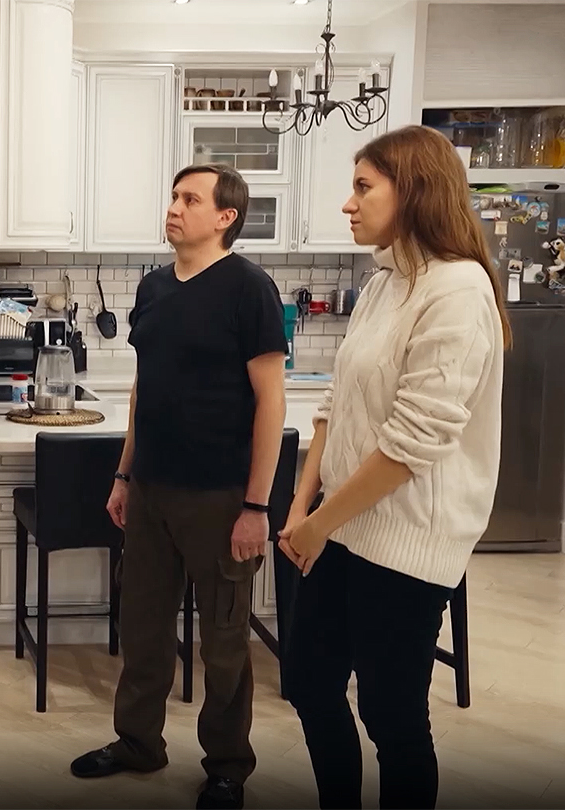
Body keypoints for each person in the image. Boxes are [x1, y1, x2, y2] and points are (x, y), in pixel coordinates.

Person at [277, 124, 509, 810]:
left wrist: (319, 522)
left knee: (391, 715)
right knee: (309, 683)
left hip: (408, 538)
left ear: (414, 191)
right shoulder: (385, 281)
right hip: (344, 526)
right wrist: (303, 504)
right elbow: (335, 403)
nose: (347, 204)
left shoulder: (458, 290)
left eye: (363, 187)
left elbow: (414, 442)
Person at [70, 163, 288, 810]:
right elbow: (146, 388)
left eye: (190, 199)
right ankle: (138, 742)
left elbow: (271, 401)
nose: (174, 207)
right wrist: (124, 475)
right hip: (151, 491)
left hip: (220, 497)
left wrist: (256, 505)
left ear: (225, 217)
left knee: (223, 642)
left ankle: (227, 766)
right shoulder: (154, 287)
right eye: (173, 196)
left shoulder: (249, 288)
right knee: (142, 629)